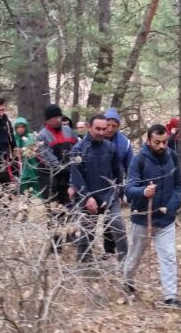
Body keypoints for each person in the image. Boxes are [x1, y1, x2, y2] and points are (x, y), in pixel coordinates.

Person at [123, 124, 181, 308]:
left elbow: (178, 185)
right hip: (143, 218)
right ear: (148, 141)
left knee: (169, 257)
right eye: (157, 142)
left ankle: (170, 297)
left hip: (166, 218)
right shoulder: (139, 160)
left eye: (164, 142)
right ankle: (127, 282)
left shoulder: (172, 157)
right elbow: (129, 189)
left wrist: (172, 206)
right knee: (134, 256)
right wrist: (144, 192)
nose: (161, 146)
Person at [69, 114, 126, 262]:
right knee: (87, 234)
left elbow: (117, 171)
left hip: (109, 196)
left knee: (118, 224)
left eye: (104, 129)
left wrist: (119, 193)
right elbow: (76, 177)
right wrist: (87, 197)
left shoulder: (111, 147)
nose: (101, 132)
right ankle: (84, 267)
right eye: (97, 129)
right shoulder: (78, 149)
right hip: (87, 196)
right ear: (89, 127)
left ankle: (126, 264)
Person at [36, 104, 77, 252]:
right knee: (54, 211)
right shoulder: (42, 136)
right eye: (54, 118)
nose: (58, 120)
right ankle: (56, 243)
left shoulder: (69, 131)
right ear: (48, 120)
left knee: (71, 208)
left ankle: (72, 235)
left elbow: (77, 149)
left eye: (59, 117)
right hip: (50, 180)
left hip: (68, 179)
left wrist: (75, 166)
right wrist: (66, 167)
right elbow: (49, 160)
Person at [102, 108, 132, 260]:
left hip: (115, 186)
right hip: (95, 185)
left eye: (114, 126)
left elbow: (130, 168)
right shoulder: (96, 137)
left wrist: (125, 191)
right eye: (108, 124)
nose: (110, 128)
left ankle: (110, 251)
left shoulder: (124, 143)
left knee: (113, 220)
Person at [13, 117, 42, 197]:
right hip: (18, 167)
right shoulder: (13, 139)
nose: (20, 129)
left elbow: (36, 149)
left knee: (34, 186)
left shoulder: (31, 137)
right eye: (18, 127)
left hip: (31, 165)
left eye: (22, 127)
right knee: (22, 187)